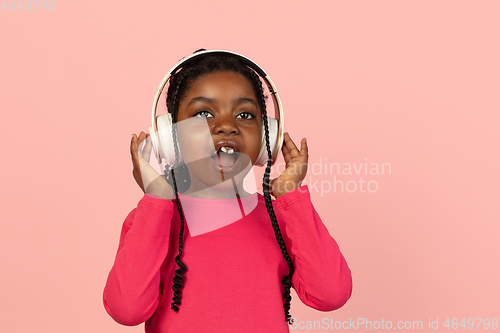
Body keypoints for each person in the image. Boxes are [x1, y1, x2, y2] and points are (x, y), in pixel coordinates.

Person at [102, 49, 352, 332]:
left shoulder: (281, 217)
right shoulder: (153, 218)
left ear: (267, 136)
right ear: (170, 136)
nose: (226, 126)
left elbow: (331, 295)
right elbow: (127, 310)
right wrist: (157, 198)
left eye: (245, 114)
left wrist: (291, 197)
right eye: (203, 113)